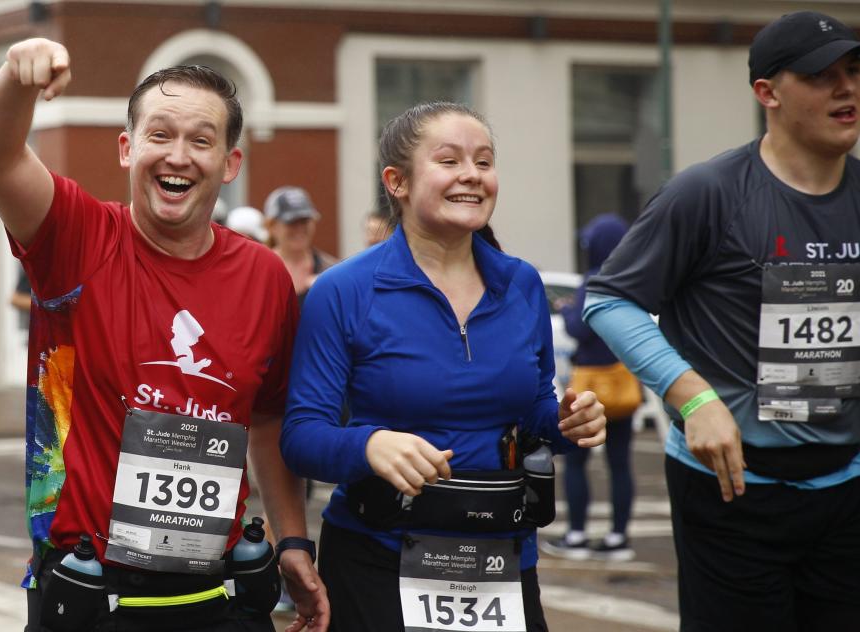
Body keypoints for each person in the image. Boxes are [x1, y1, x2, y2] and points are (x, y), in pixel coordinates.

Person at [0, 37, 327, 632]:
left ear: (230, 163)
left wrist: (292, 542)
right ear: (128, 149)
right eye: (160, 135)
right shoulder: (79, 237)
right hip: (89, 590)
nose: (178, 156)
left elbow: (267, 418)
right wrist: (16, 76)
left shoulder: (263, 275)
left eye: (200, 140)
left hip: (219, 594)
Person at [281, 101, 607, 632]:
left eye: (483, 161)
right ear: (398, 182)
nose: (472, 176)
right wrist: (368, 444)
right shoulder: (343, 290)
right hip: (378, 558)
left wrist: (569, 422)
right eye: (450, 161)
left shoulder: (521, 283)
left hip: (502, 559)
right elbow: (300, 437)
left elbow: (533, 418)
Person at [584, 11, 860, 631]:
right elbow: (608, 301)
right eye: (821, 75)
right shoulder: (707, 193)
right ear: (767, 92)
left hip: (846, 490)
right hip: (733, 492)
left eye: (854, 70)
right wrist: (693, 396)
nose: (846, 88)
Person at [541, 214, 636, 562]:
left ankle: (577, 534)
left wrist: (567, 312)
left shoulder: (593, 279)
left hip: (592, 383)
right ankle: (618, 537)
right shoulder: (631, 277)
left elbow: (580, 329)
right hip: (624, 380)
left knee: (577, 460)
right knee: (620, 464)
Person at [264, 186, 337, 309]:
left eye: (304, 221)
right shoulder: (259, 270)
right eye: (291, 222)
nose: (299, 229)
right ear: (271, 226)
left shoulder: (330, 270)